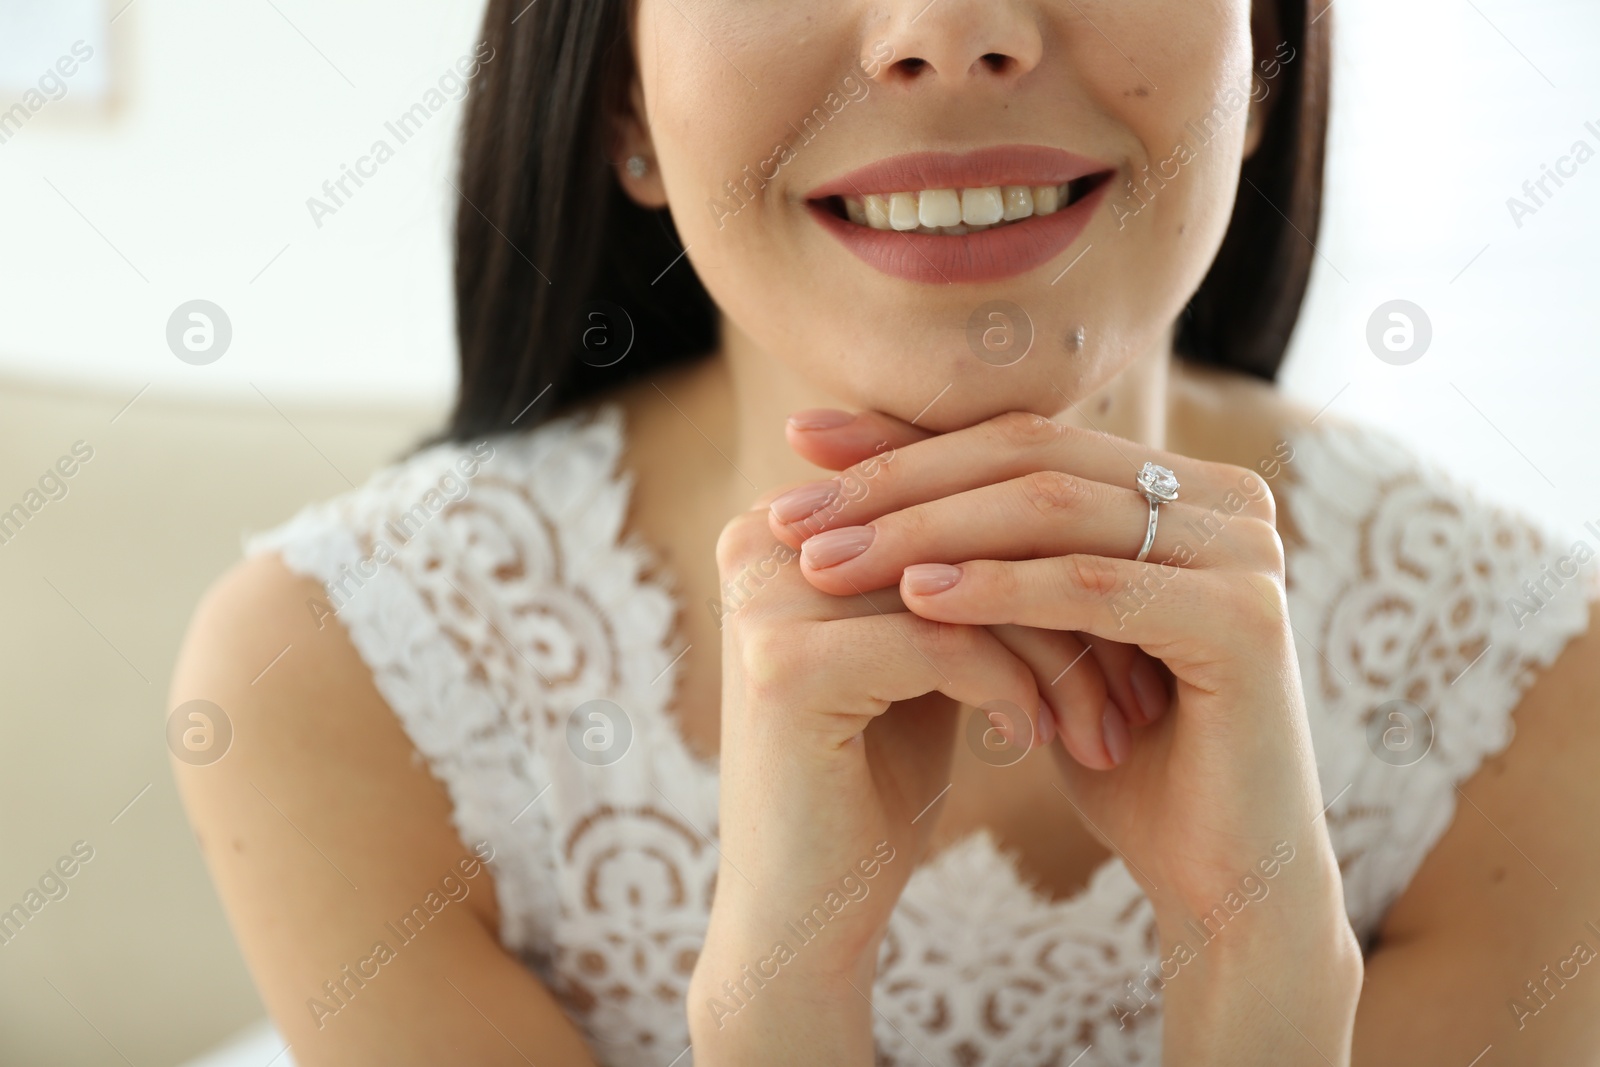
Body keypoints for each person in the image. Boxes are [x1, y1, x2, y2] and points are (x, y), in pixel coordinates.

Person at [169, 0, 1600, 1063]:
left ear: (1264, 58)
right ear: (621, 98)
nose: (950, 29)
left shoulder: (1542, 696)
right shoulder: (339, 675)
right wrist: (780, 999)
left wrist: (1261, 978)